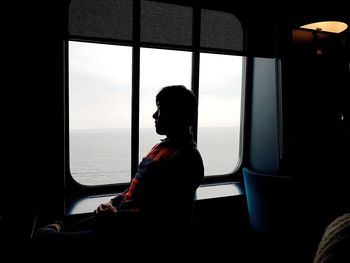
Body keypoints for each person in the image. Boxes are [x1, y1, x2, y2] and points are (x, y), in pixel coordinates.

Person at [34, 85, 204, 255]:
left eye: (160, 110)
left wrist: (114, 215)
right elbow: (134, 189)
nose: (154, 115)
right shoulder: (161, 147)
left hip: (133, 234)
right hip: (118, 221)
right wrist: (112, 203)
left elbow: (161, 216)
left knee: (43, 237)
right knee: (57, 230)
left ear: (176, 115)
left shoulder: (187, 158)